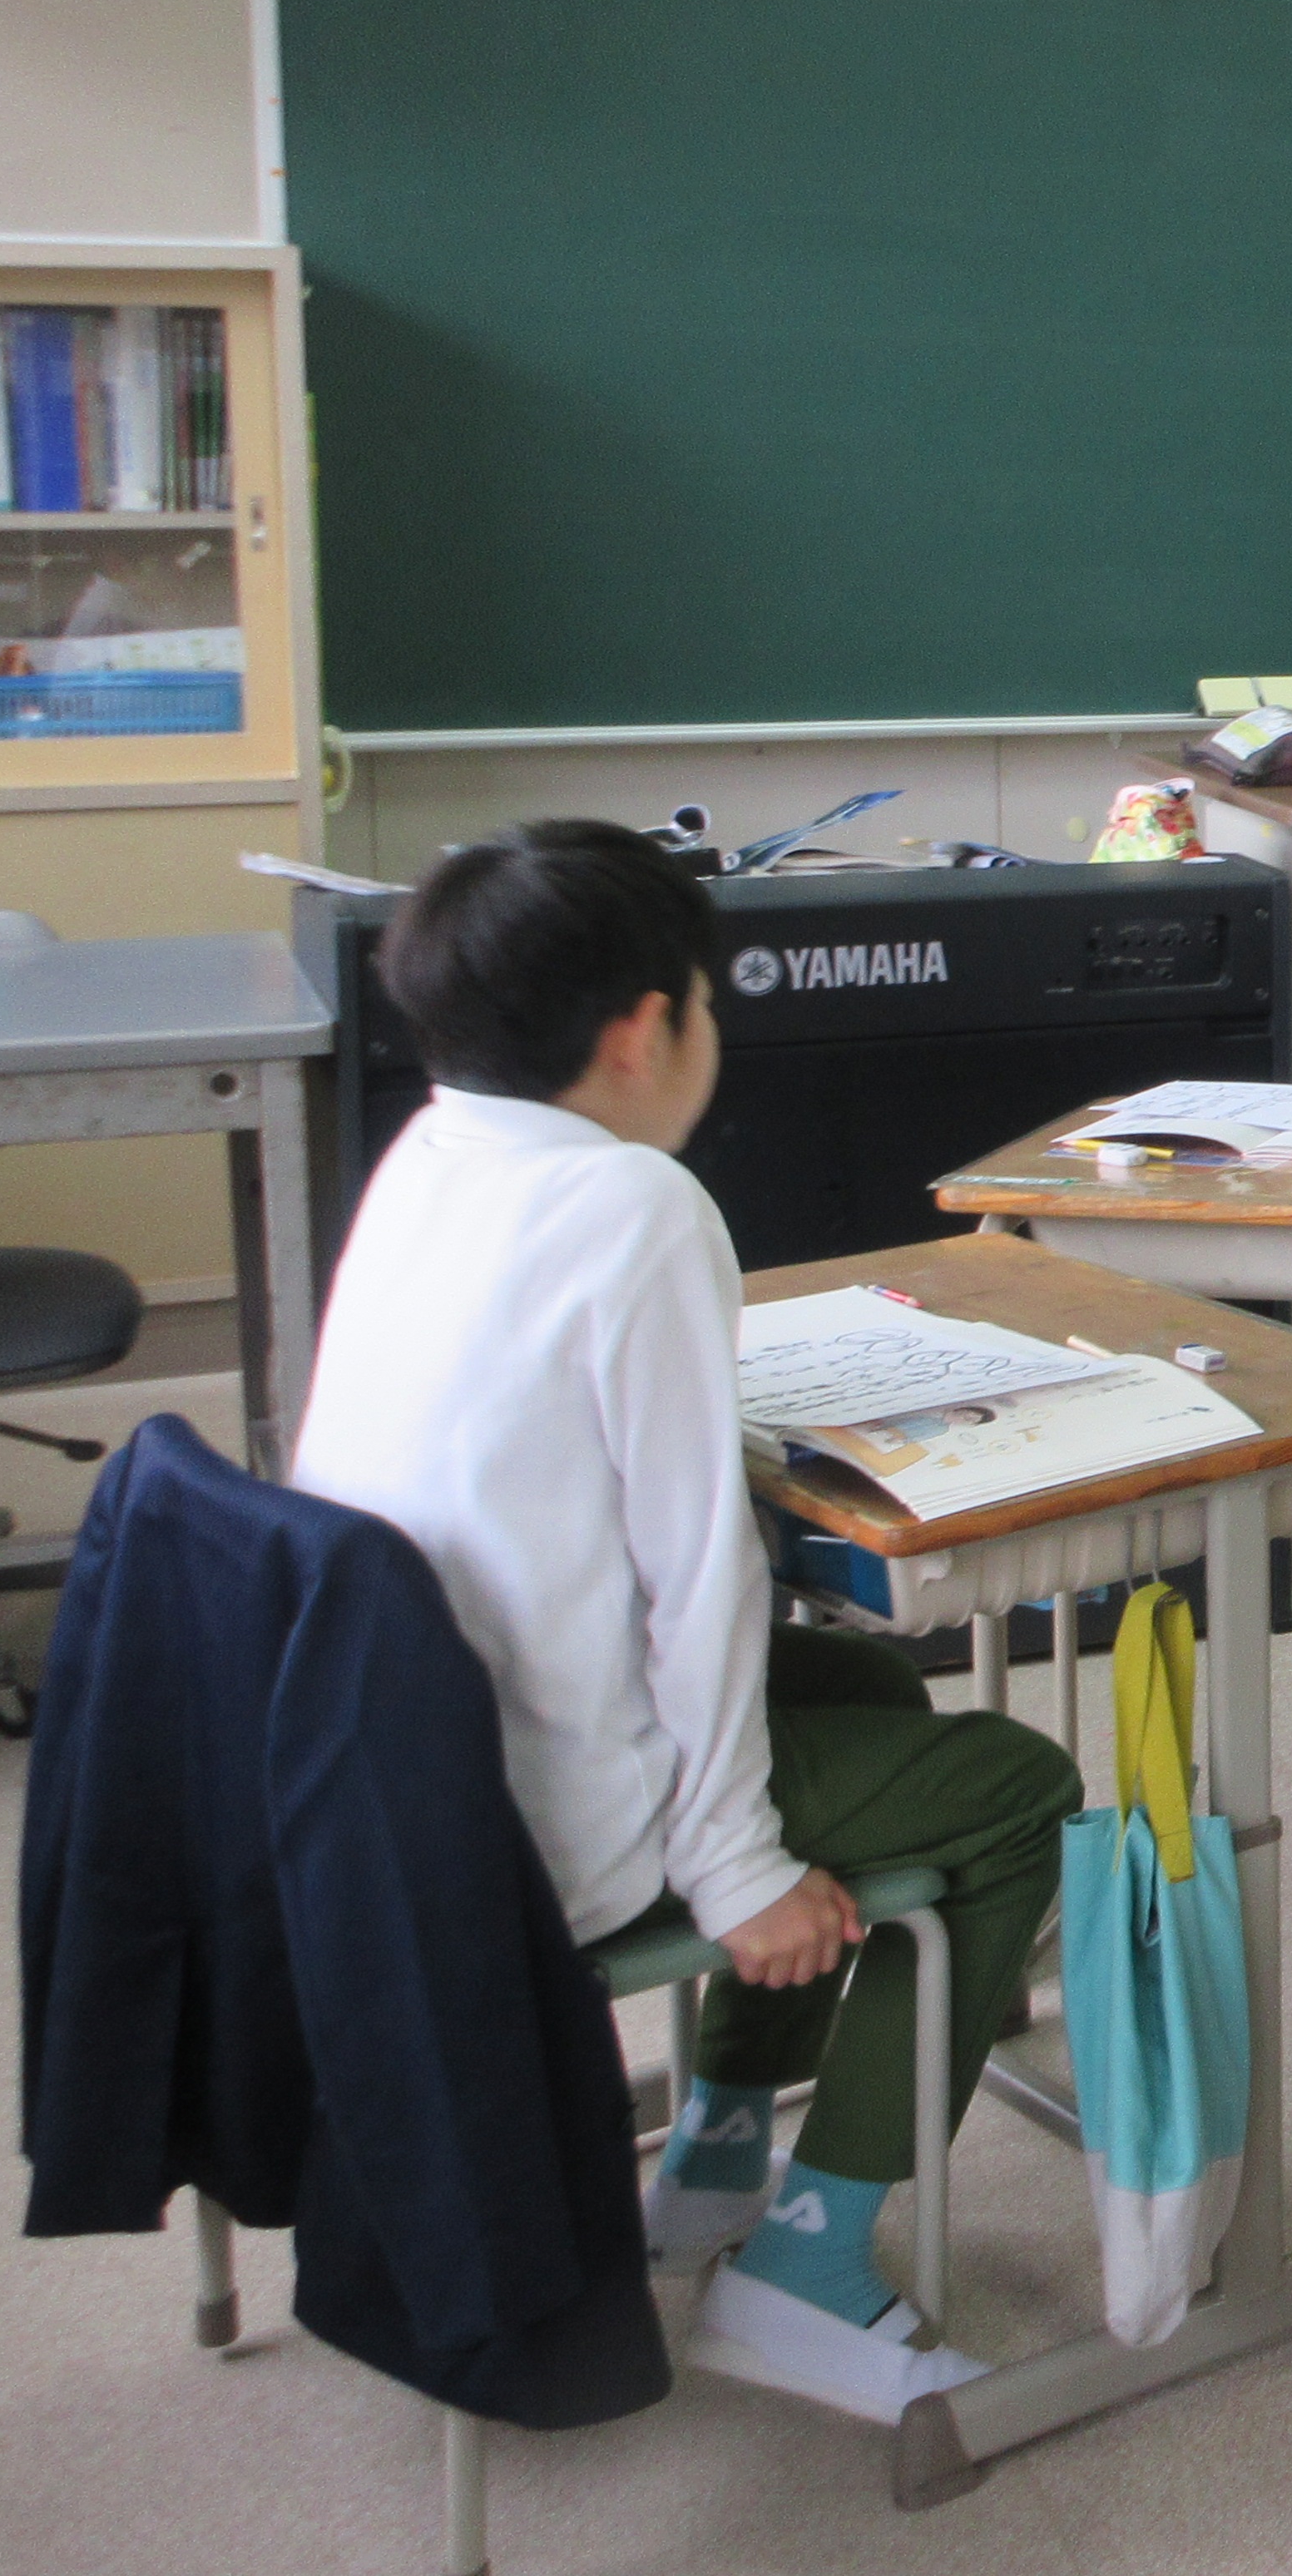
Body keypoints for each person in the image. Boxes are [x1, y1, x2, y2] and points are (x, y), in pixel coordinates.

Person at [292, 821, 1082, 2424]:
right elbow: (697, 1569)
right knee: (1018, 1793)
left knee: (860, 1681)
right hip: (548, 1810)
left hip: (410, 1772)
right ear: (644, 1028)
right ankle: (805, 2267)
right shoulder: (639, 1201)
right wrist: (737, 1866)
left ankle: (718, 2149)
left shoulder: (427, 1156)